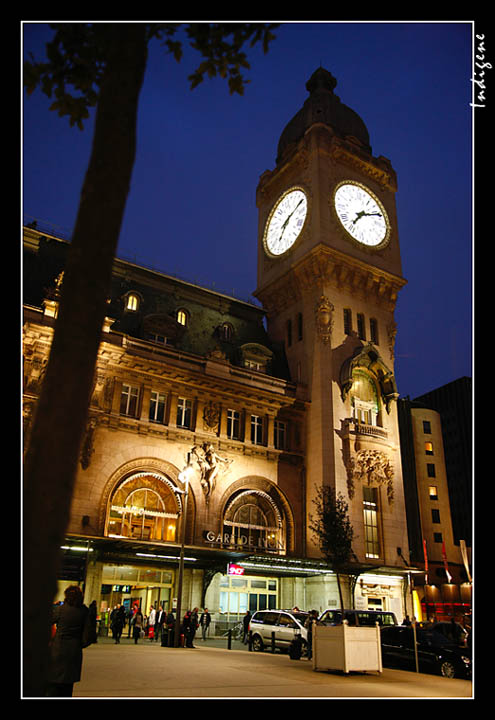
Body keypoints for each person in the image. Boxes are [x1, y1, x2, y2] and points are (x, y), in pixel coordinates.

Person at [46, 585, 91, 697]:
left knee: (53, 684)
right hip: (73, 652)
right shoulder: (84, 611)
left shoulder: (61, 610)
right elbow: (88, 635)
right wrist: (79, 644)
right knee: (68, 686)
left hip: (57, 649)